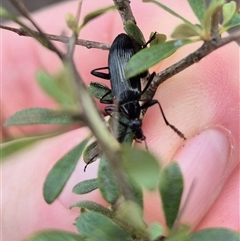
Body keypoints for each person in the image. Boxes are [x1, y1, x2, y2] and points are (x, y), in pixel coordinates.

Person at [2, 0, 239, 240]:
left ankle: (146, 52)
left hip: (120, 52)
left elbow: (142, 84)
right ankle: (145, 52)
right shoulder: (132, 98)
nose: (138, 130)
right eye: (137, 128)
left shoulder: (126, 101)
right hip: (121, 54)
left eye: (135, 128)